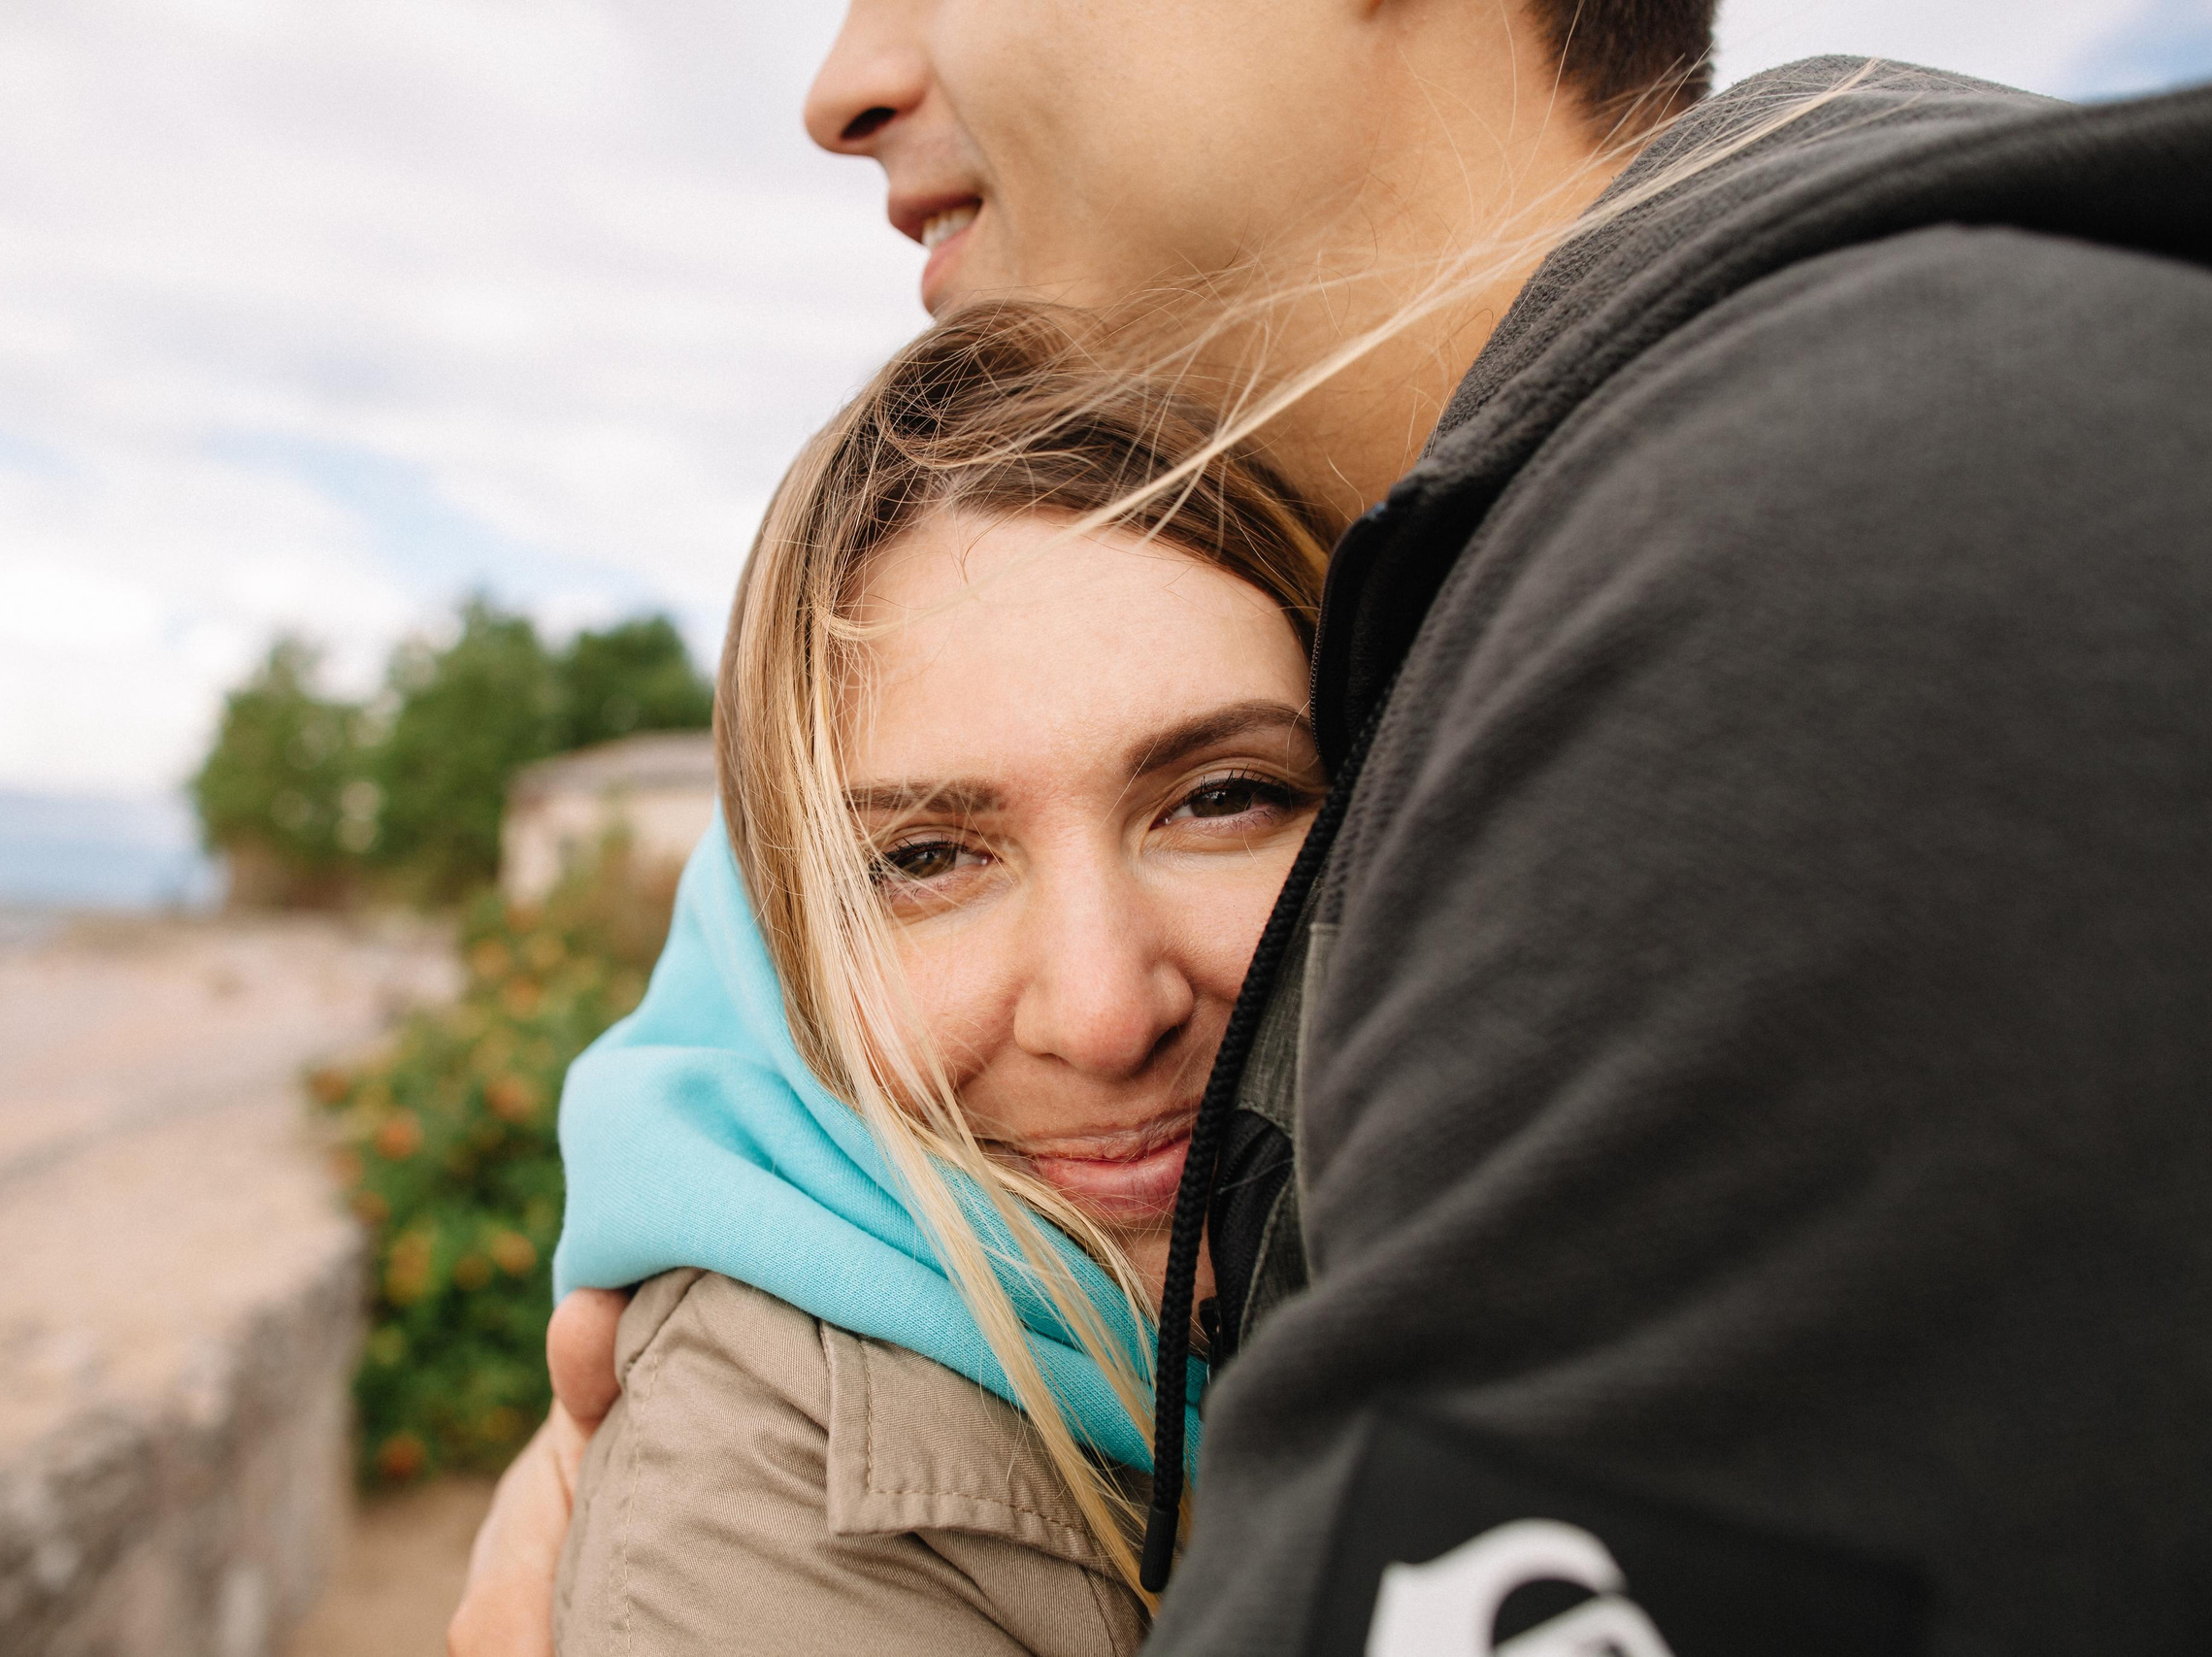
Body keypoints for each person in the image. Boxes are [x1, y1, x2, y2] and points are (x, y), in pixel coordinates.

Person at [456, 0, 2212, 1647]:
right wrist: (723, 1263)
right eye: (924, 858)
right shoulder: (1592, 555)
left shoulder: (1857, 556)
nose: (843, 82)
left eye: (1226, 793)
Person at [545, 303, 1334, 1654]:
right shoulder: (747, 1517)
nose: (1102, 1016)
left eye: (1221, 798)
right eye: (924, 859)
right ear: (785, 939)